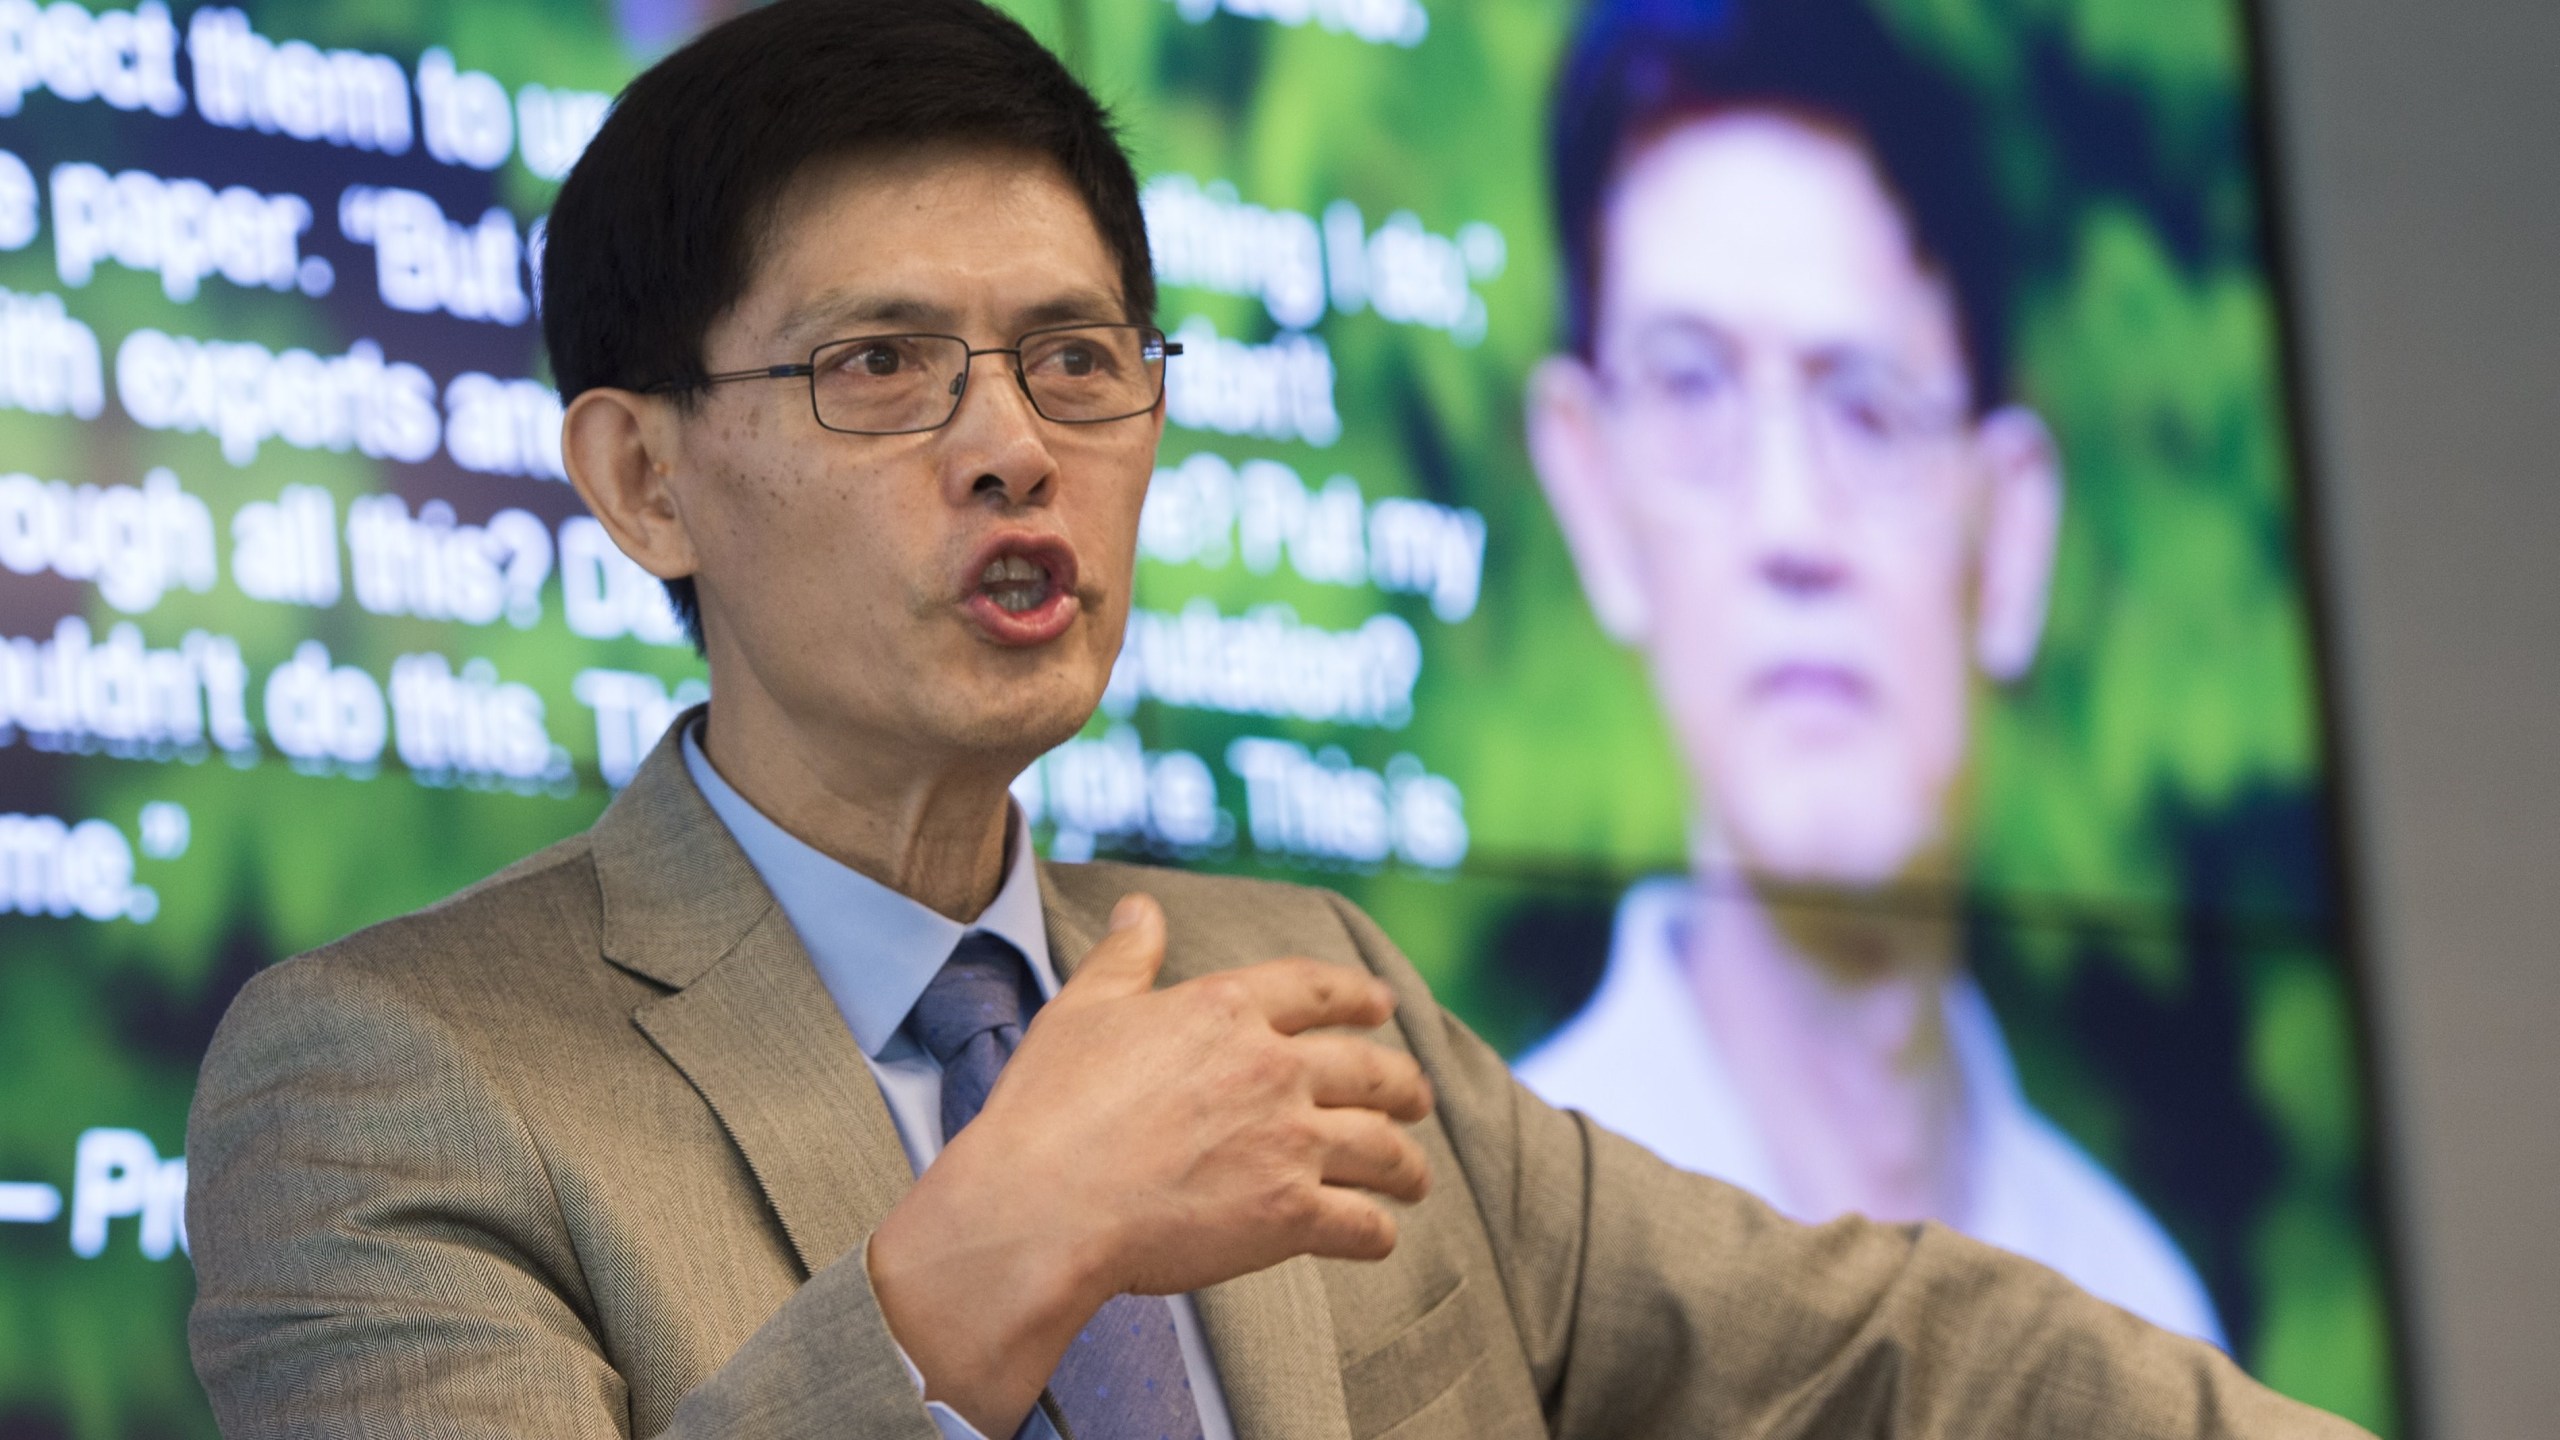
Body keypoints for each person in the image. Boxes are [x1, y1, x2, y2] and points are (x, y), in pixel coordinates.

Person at [184, 2, 2348, 1436]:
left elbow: (1883, 1353)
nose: (1010, 447)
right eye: (879, 369)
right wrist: (982, 1267)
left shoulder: (1295, 980)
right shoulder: (392, 1079)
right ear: (643, 479)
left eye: (1074, 360)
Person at [1515, 0, 2223, 1346]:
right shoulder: (1480, 1271)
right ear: (1594, 493)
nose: (1790, 526)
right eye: (1691, 388)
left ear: (2010, 535)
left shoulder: (2148, 1324)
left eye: (1866, 406)